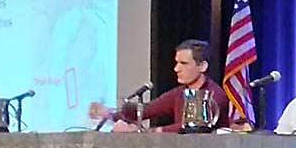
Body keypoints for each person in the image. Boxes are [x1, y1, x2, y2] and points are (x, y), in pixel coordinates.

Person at [89, 39, 230, 132]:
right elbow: (147, 110)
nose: (176, 69)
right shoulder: (179, 93)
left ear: (202, 66)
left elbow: (189, 129)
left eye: (184, 63)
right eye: (176, 63)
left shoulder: (214, 95)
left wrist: (145, 132)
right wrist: (109, 114)